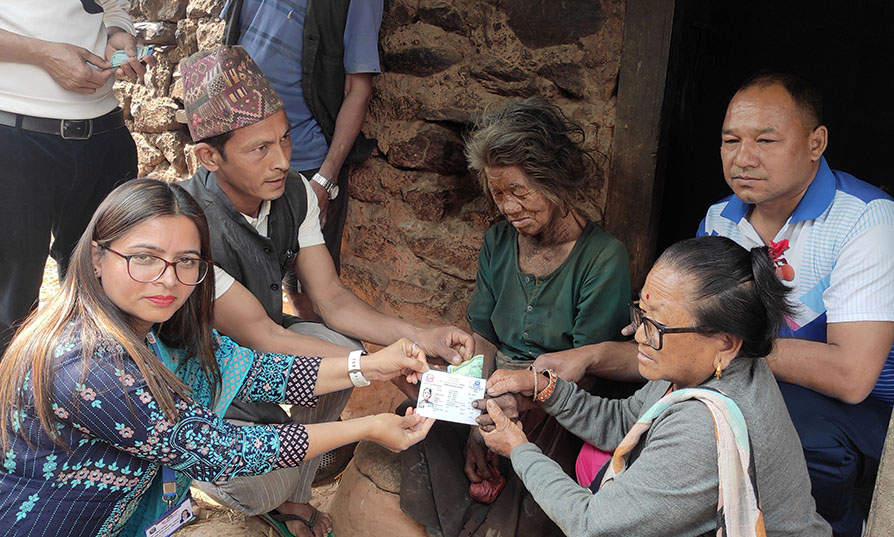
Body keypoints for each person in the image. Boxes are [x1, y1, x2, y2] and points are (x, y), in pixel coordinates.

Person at [0, 178, 434, 537]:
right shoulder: (88, 366)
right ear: (97, 257)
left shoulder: (160, 330)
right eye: (145, 258)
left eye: (186, 261)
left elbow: (263, 372)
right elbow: (216, 451)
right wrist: (371, 427)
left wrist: (371, 367)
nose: (167, 279)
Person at [176, 45, 472, 536]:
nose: (281, 160)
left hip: (265, 363)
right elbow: (264, 338)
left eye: (285, 139)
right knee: (269, 477)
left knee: (340, 349)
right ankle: (244, 481)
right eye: (259, 149)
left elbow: (331, 298)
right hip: (210, 378)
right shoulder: (189, 221)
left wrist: (418, 334)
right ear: (209, 156)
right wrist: (378, 369)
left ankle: (293, 493)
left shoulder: (293, 193)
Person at [478, 236, 831, 536]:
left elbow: (591, 525)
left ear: (724, 342)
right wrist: (545, 388)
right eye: (641, 316)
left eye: (657, 327)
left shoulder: (703, 428)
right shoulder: (701, 369)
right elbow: (621, 422)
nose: (640, 337)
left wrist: (519, 449)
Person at [400, 98, 637, 537]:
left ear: (555, 180)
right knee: (417, 417)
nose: (507, 206)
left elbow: (585, 373)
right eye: (497, 193)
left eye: (519, 191)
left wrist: (517, 407)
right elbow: (485, 337)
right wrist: (477, 413)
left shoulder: (603, 257)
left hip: (557, 403)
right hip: (496, 392)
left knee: (539, 466)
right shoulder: (498, 241)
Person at [698, 72, 894, 537]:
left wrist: (729, 343)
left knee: (786, 443)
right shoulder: (718, 219)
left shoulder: (867, 219)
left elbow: (852, 377)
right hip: (762, 382)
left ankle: (840, 526)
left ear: (815, 143)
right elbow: (692, 323)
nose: (743, 158)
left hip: (866, 408)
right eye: (731, 140)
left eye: (766, 139)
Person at [0, 0, 152, 351]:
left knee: (108, 295)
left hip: (106, 134)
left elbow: (111, 4)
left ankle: (90, 398)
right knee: (9, 306)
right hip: (11, 134)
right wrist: (42, 54)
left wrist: (117, 32)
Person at [222, 0, 382, 318]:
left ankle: (329, 362)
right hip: (241, 153)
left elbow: (357, 89)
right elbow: (231, 44)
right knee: (234, 277)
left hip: (306, 163)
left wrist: (324, 179)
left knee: (308, 292)